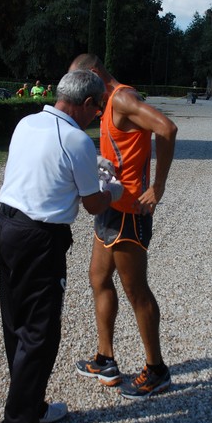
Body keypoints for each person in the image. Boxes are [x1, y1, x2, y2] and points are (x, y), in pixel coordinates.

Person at [0, 70, 123, 423]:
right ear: (85, 104)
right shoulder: (76, 140)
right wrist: (112, 188)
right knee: (40, 334)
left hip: (6, 227)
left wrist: (89, 166)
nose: (99, 114)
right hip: (39, 240)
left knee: (16, 324)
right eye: (98, 108)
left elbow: (47, 172)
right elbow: (93, 204)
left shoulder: (27, 122)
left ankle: (30, 407)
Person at [69, 53, 178, 400]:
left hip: (130, 212)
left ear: (96, 74)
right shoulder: (104, 103)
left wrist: (157, 187)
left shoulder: (124, 99)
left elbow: (167, 128)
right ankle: (105, 359)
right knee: (98, 279)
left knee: (136, 290)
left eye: (82, 83)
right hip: (109, 206)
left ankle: (157, 369)